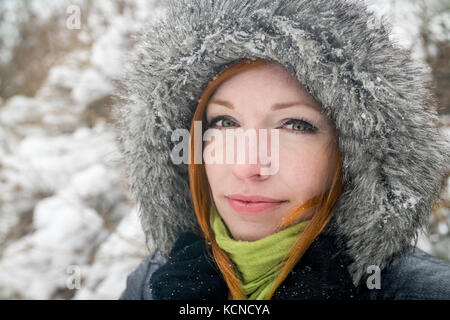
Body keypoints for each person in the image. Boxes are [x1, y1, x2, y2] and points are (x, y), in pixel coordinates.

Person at [115, 0, 450, 300]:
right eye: (225, 123)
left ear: (354, 153)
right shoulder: (153, 283)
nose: (247, 167)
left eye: (295, 125)